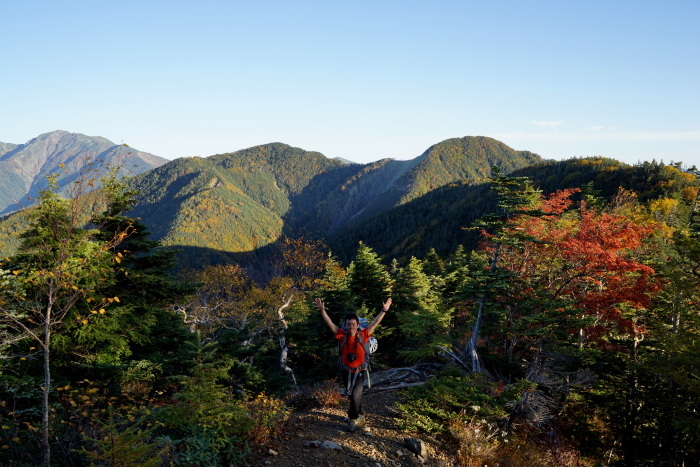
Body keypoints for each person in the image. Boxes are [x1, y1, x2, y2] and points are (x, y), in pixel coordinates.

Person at [315, 296, 392, 432]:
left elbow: (375, 322)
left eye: (353, 324)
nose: (351, 327)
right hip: (346, 371)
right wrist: (322, 311)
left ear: (357, 325)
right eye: (348, 324)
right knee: (351, 396)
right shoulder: (341, 336)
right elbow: (330, 323)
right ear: (345, 325)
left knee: (355, 396)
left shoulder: (363, 335)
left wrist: (384, 311)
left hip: (360, 372)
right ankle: (360, 414)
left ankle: (352, 419)